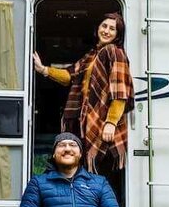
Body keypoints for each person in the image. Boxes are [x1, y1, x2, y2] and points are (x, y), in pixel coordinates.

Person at [32, 12, 133, 175]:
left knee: (101, 170)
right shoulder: (92, 55)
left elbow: (120, 93)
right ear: (98, 28)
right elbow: (69, 77)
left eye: (112, 29)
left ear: (118, 34)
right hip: (87, 119)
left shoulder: (115, 53)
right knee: (88, 168)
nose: (106, 31)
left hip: (103, 121)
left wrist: (111, 122)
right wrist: (43, 69)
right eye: (104, 26)